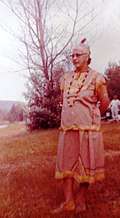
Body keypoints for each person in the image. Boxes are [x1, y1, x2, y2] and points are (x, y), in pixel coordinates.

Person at [53, 38, 109, 214]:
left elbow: (105, 102)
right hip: (67, 129)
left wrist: (93, 115)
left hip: (87, 130)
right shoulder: (65, 79)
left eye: (78, 55)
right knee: (66, 165)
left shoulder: (97, 79)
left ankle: (81, 198)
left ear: (88, 57)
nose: (74, 58)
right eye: (72, 55)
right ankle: (68, 202)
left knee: (86, 165)